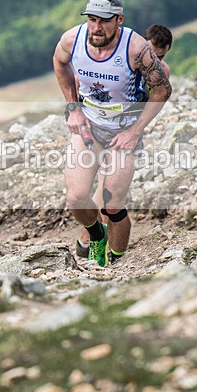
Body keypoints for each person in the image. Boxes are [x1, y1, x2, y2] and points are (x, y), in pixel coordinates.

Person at [54, 0, 172, 267]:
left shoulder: (136, 48)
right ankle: (97, 235)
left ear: (119, 19)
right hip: (89, 126)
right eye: (92, 19)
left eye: (104, 21)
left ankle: (117, 264)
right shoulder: (72, 39)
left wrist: (135, 131)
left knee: (113, 203)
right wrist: (73, 107)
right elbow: (60, 63)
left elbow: (163, 90)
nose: (96, 27)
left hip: (123, 132)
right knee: (76, 198)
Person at [75, 23, 174, 258]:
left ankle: (92, 245)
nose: (155, 60)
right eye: (153, 54)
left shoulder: (161, 71)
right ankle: (89, 241)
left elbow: (155, 99)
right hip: (97, 125)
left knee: (109, 190)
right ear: (144, 45)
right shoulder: (122, 59)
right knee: (94, 188)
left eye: (161, 56)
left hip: (127, 132)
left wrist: (135, 129)